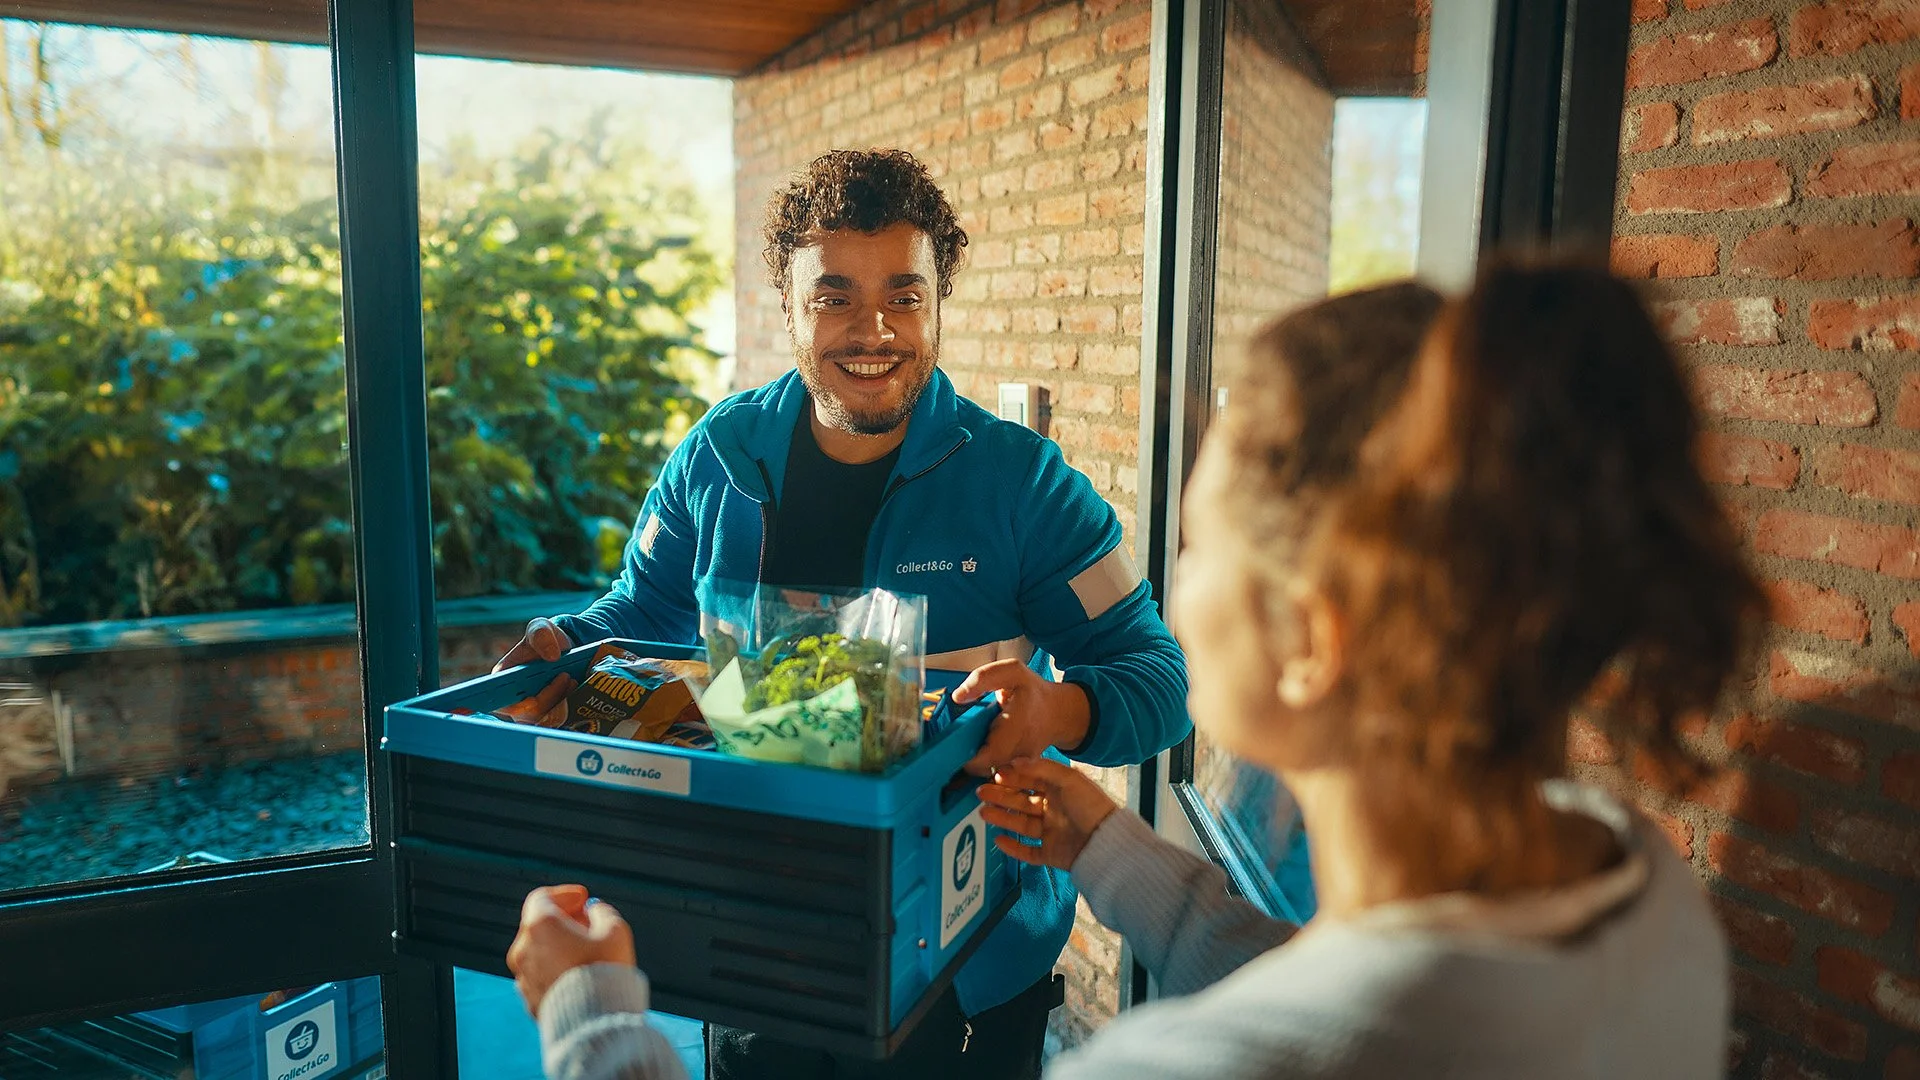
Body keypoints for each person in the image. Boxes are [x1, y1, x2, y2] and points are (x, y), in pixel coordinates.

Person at [509, 262, 1761, 1079]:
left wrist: (597, 1020)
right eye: (835, 296)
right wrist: (1120, 855)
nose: (1177, 584)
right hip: (767, 935)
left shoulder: (1172, 1065)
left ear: (1310, 639)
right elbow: (1348, 998)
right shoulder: (1641, 894)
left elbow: (1320, 1026)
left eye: (1200, 544)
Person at [494, 147, 1192, 1079]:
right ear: (788, 309)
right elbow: (639, 611)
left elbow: (1161, 680)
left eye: (905, 296)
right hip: (753, 944)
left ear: (939, 304)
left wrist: (1058, 710)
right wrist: (563, 648)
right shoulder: (717, 455)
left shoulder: (1025, 485)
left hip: (963, 968)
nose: (875, 330)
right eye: (834, 297)